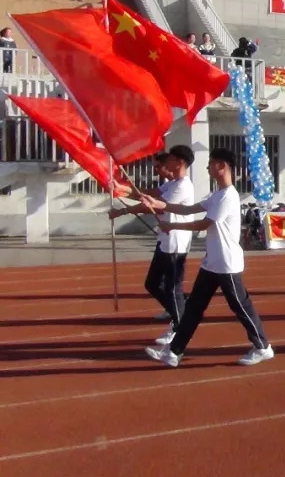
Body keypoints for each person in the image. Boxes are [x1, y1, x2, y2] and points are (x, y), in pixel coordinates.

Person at [141, 147, 273, 367]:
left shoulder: (228, 196)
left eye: (211, 164)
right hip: (212, 263)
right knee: (193, 307)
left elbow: (203, 224)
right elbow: (188, 209)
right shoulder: (216, 195)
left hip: (226, 264)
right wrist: (157, 204)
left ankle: (262, 346)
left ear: (221, 166)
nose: (207, 168)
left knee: (240, 306)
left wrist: (171, 225)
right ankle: (173, 353)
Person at [110, 147, 195, 337]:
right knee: (153, 284)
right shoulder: (172, 183)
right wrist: (121, 188)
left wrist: (122, 211)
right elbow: (150, 193)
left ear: (179, 162)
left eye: (170, 160)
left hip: (176, 242)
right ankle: (176, 309)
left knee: (173, 287)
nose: (166, 164)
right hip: (165, 240)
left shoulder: (183, 186)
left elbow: (152, 206)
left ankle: (178, 326)